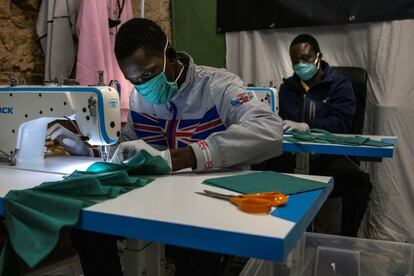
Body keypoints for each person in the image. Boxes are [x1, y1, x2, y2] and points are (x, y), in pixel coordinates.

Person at [48, 18, 283, 275]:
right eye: (133, 79)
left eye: (148, 74)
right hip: (163, 199)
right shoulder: (141, 96)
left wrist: (184, 157)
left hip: (213, 201)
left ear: (169, 56)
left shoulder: (219, 86)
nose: (142, 84)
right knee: (87, 230)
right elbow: (133, 146)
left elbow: (268, 130)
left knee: (194, 247)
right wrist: (92, 151)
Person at [261, 34, 372, 237]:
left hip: (327, 158)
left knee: (358, 183)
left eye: (306, 58)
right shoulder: (286, 89)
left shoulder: (340, 86)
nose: (300, 64)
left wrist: (308, 126)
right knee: (257, 173)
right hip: (292, 158)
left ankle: (346, 244)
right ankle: (271, 237)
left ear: (318, 56)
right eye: (295, 60)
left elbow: (342, 124)